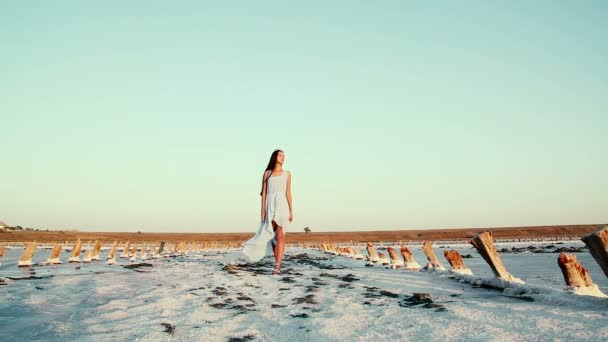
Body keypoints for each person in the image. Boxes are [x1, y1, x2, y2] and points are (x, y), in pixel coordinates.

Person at [242, 149, 293, 275]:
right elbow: (264, 193)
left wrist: (291, 210)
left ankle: (277, 265)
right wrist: (262, 210)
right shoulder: (267, 174)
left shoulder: (287, 174)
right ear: (274, 157)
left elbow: (288, 192)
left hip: (282, 205)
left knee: (281, 235)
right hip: (270, 205)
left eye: (284, 156)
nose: (283, 157)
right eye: (280, 155)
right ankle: (276, 261)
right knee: (273, 235)